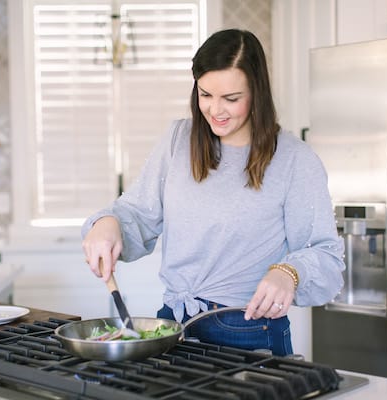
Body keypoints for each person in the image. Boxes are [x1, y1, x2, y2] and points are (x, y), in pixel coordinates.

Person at [81, 29, 345, 356]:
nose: (215, 110)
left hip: (249, 329)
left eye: (231, 99)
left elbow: (327, 257)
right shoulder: (179, 139)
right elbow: (136, 215)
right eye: (205, 95)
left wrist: (289, 272)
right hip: (173, 324)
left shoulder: (294, 160)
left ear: (257, 93)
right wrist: (108, 223)